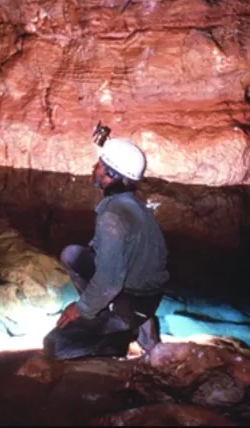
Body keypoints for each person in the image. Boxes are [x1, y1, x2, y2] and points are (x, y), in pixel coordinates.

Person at [43, 137, 169, 360]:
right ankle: (106, 313)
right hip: (141, 288)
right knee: (72, 255)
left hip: (133, 302)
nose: (95, 167)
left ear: (110, 176)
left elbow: (110, 282)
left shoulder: (113, 217)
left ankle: (122, 337)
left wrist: (80, 308)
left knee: (55, 345)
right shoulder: (128, 203)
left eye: (100, 164)